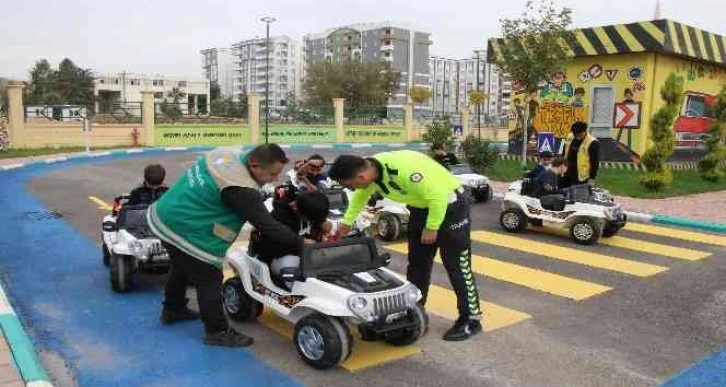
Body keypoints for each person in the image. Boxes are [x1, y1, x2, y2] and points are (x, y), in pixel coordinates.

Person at [147, 144, 314, 348]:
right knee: (209, 277)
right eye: (272, 174)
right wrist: (301, 242)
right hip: (184, 228)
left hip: (165, 214)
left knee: (182, 265)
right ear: (254, 165)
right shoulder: (241, 187)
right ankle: (216, 331)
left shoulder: (225, 154)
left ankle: (172, 310)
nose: (274, 179)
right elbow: (267, 226)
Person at [327, 150, 482, 341]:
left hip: (451, 206)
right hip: (421, 207)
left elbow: (438, 196)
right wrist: (346, 223)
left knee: (457, 264)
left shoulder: (404, 171)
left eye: (349, 185)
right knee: (417, 263)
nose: (351, 189)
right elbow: (360, 197)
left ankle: (471, 318)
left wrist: (432, 227)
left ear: (361, 176)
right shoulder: (371, 173)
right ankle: (415, 308)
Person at [249, 186, 332, 289]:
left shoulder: (309, 210)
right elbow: (267, 248)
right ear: (296, 208)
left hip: (307, 254)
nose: (313, 221)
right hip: (278, 256)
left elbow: (316, 227)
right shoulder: (278, 218)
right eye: (311, 219)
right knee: (297, 279)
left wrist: (324, 225)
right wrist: (301, 244)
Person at [561, 121, 599, 188]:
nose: (577, 136)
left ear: (584, 131)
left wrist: (592, 178)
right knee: (563, 193)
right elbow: (564, 153)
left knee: (578, 196)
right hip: (566, 172)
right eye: (575, 134)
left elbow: (595, 162)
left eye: (579, 134)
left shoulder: (592, 142)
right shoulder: (570, 137)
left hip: (581, 176)